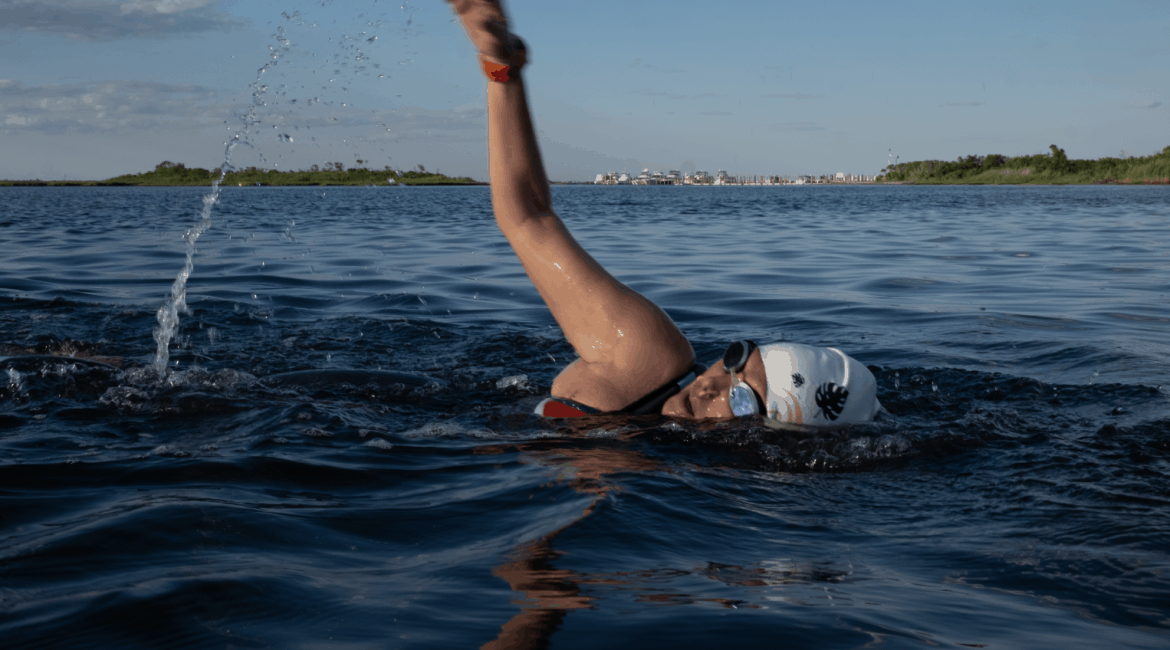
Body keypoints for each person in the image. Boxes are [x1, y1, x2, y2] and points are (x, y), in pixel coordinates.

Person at [449, 0, 880, 426]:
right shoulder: (641, 357)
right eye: (733, 362)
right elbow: (529, 217)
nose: (710, 387)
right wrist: (500, 71)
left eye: (742, 400)